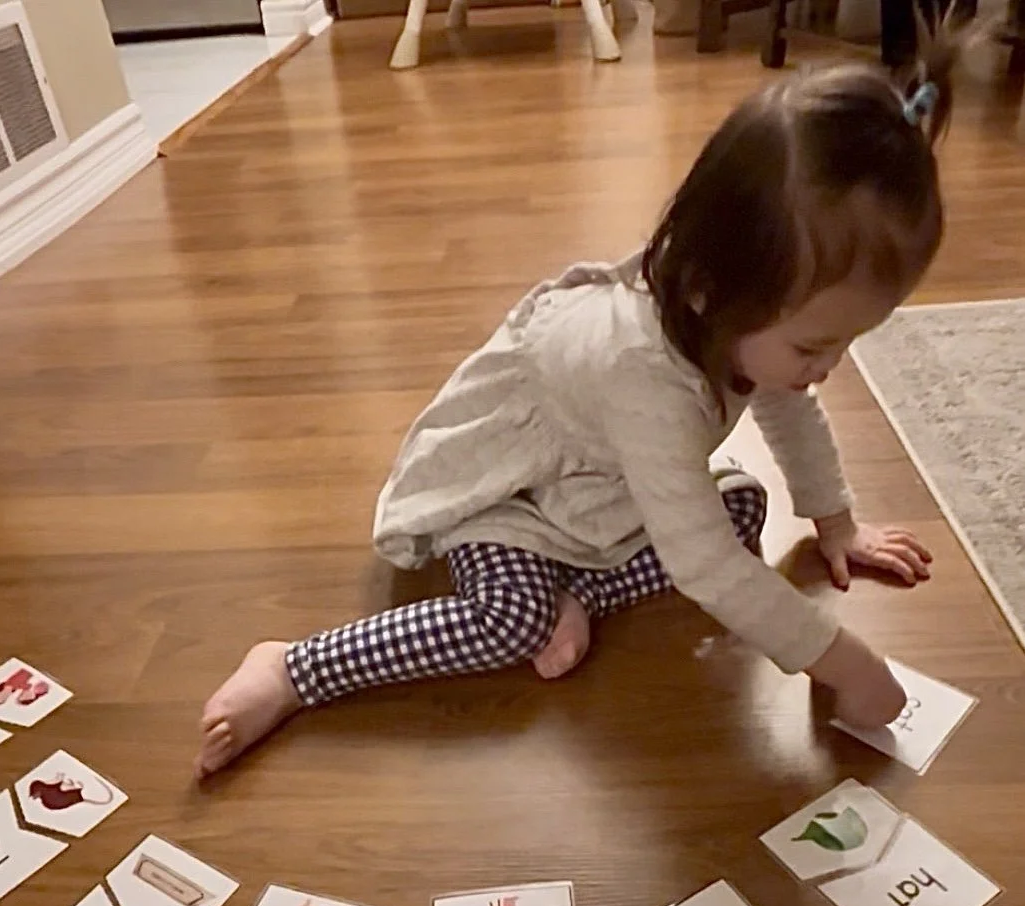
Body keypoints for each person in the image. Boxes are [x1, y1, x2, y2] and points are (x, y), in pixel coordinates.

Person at [194, 26, 958, 781]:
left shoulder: (735, 317)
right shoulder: (640, 368)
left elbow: (787, 409)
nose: (827, 369)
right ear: (708, 290)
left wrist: (837, 521)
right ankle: (298, 668)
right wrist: (843, 661)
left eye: (845, 342)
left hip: (600, 487)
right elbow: (703, 567)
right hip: (510, 495)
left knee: (744, 509)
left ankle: (579, 591)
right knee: (512, 620)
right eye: (814, 347)